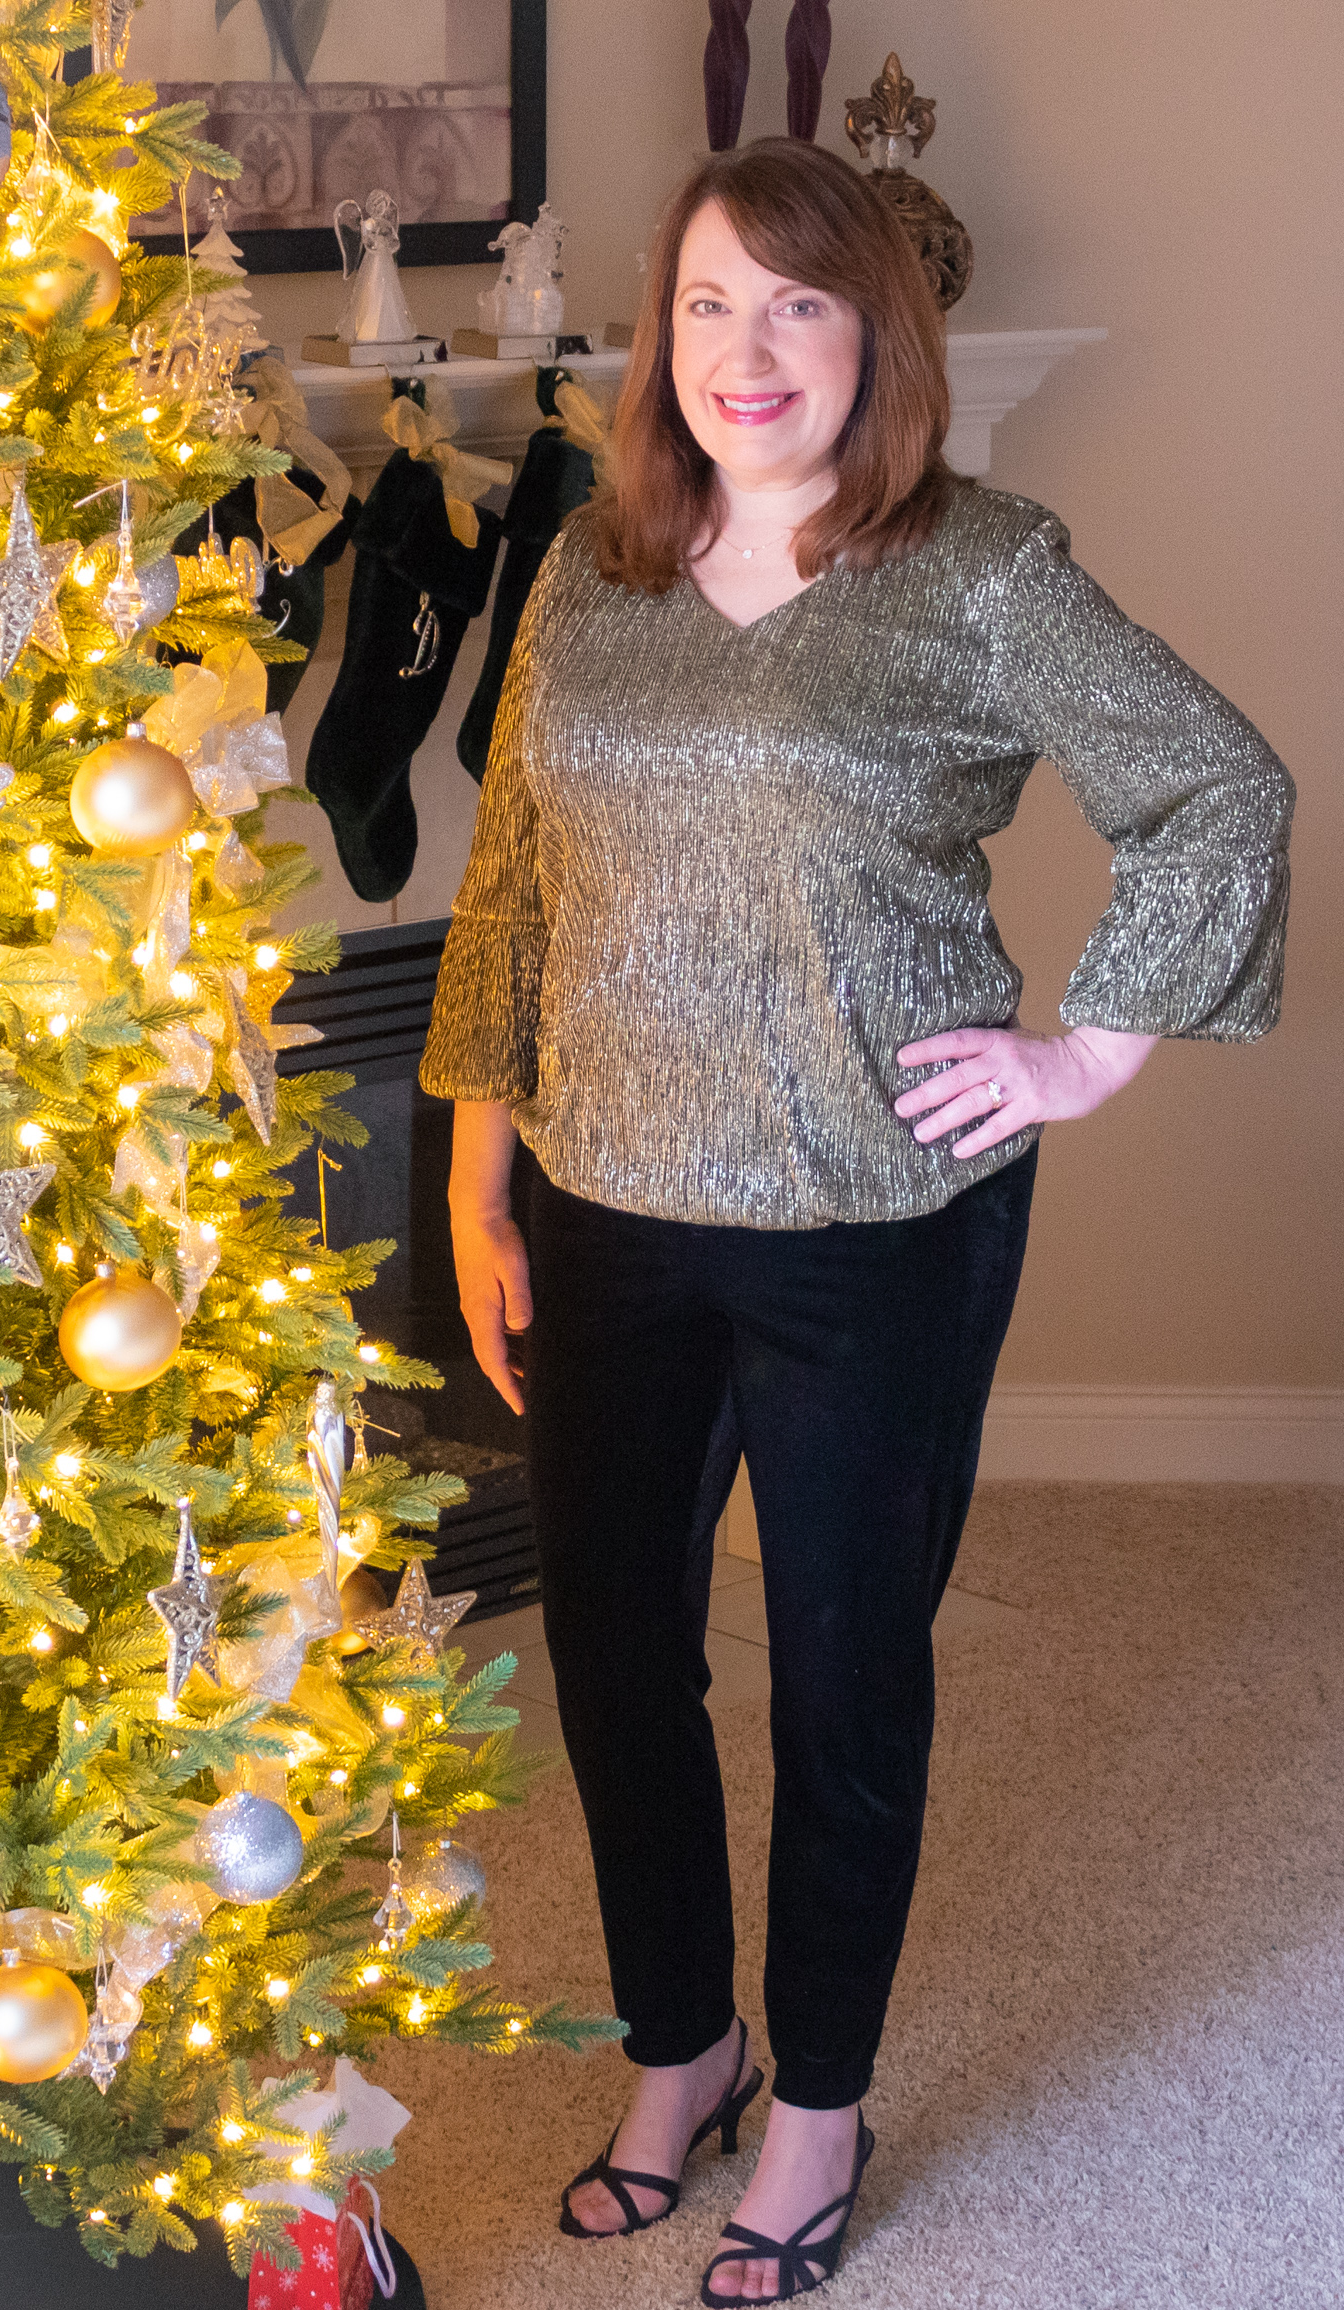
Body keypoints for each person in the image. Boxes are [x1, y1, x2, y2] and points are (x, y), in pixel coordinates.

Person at [419, 138, 1293, 2305]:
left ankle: (815, 2104)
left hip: (869, 1220)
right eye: (710, 304)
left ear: (876, 339)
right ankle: (680, 2046)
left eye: (799, 306)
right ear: (663, 337)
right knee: (612, 1660)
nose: (748, 352)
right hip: (607, 1205)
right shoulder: (595, 569)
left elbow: (1218, 788)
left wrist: (1082, 1053)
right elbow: (519, 864)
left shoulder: (977, 567)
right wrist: (474, 1156)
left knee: (837, 1682)